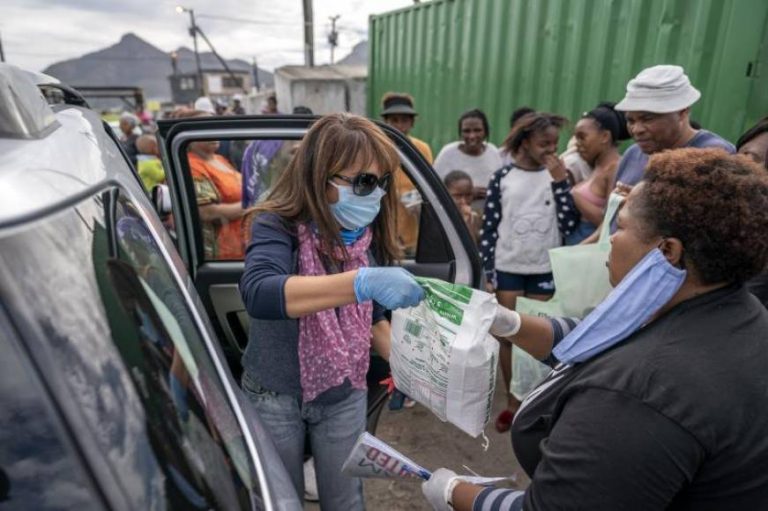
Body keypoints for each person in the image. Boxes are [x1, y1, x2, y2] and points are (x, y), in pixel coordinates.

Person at [422, 148, 768, 510]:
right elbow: (599, 339)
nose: (612, 240)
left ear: (668, 251)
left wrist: (453, 492)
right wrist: (508, 322)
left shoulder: (638, 395)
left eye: (620, 226)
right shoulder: (736, 314)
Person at [239, 113, 425, 510]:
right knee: (278, 501)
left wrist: (411, 367)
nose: (375, 194)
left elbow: (373, 316)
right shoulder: (278, 225)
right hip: (275, 392)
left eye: (381, 182)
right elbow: (260, 293)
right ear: (320, 176)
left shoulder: (366, 236)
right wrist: (359, 282)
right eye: (363, 182)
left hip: (344, 392)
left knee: (345, 501)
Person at [481, 112, 567, 432]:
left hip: (544, 266)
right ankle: (513, 402)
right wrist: (487, 271)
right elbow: (489, 229)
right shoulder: (502, 176)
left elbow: (569, 222)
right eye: (544, 143)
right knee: (509, 335)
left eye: (555, 144)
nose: (550, 150)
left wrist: (560, 181)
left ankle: (538, 401)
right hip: (508, 266)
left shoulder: (558, 174)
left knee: (540, 336)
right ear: (526, 141)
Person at [613, 65, 735, 188]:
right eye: (631, 120)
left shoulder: (715, 157)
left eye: (647, 119)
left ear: (682, 112)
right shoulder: (633, 154)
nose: (637, 129)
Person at [554, 103, 630, 244]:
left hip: (588, 245)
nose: (577, 143)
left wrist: (575, 194)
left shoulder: (614, 168)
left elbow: (609, 220)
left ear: (605, 137)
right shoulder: (597, 166)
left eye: (582, 137)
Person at [177, 110, 246, 260]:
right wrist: (253, 205)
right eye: (204, 129)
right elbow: (207, 212)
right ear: (189, 136)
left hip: (242, 246)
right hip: (222, 254)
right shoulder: (192, 165)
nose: (212, 132)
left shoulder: (220, 159)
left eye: (213, 127)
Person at [380, 92, 433, 257]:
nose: (399, 126)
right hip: (383, 233)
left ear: (412, 123)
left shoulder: (422, 149)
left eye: (404, 120)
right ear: (385, 122)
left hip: (413, 235)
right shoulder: (376, 149)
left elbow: (429, 188)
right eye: (394, 120)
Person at [433, 109, 503, 204]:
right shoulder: (448, 154)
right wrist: (468, 194)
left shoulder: (493, 152)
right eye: (466, 131)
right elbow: (434, 188)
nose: (472, 136)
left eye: (477, 130)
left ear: (485, 132)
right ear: (460, 133)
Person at [444, 170, 481, 243]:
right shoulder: (441, 219)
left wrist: (468, 221)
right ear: (446, 195)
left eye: (468, 195)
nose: (464, 201)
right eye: (457, 196)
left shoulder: (477, 219)